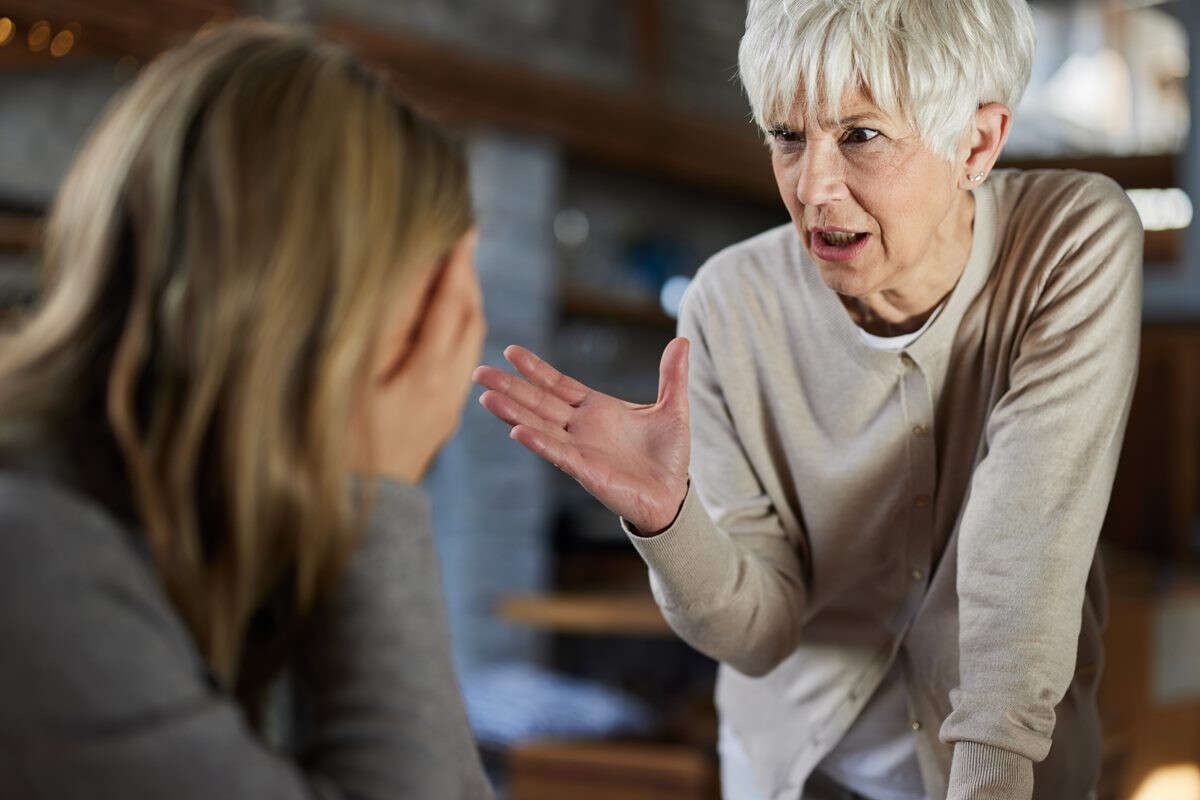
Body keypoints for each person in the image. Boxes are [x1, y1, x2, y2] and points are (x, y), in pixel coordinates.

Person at [474, 1, 1143, 798]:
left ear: (977, 142)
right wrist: (669, 520)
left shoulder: (1070, 239)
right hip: (800, 775)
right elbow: (759, 635)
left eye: (860, 135)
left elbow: (1023, 547)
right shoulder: (726, 305)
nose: (812, 186)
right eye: (788, 137)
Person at [0, 22, 492, 800]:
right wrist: (380, 499)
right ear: (316, 304)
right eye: (431, 304)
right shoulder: (31, 558)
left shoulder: (180, 522)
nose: (450, 355)